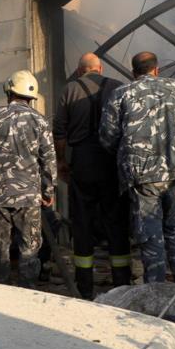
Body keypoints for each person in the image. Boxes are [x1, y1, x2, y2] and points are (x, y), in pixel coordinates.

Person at [99, 52, 175, 284]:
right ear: (157, 69)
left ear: (134, 72)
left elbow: (107, 136)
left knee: (149, 230)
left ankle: (156, 288)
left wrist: (126, 153)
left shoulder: (121, 94)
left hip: (142, 174)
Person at [53, 52, 131, 299]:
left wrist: (62, 162)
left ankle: (84, 287)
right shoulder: (118, 88)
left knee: (82, 223)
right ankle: (122, 283)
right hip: (111, 161)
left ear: (79, 71)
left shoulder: (69, 90)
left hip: (83, 162)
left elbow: (60, 133)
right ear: (100, 68)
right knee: (116, 221)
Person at [0, 70, 57, 287]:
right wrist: (48, 192)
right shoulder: (39, 121)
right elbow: (48, 161)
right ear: (31, 98)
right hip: (29, 197)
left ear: (9, 91)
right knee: (30, 249)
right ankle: (27, 293)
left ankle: (1, 291)